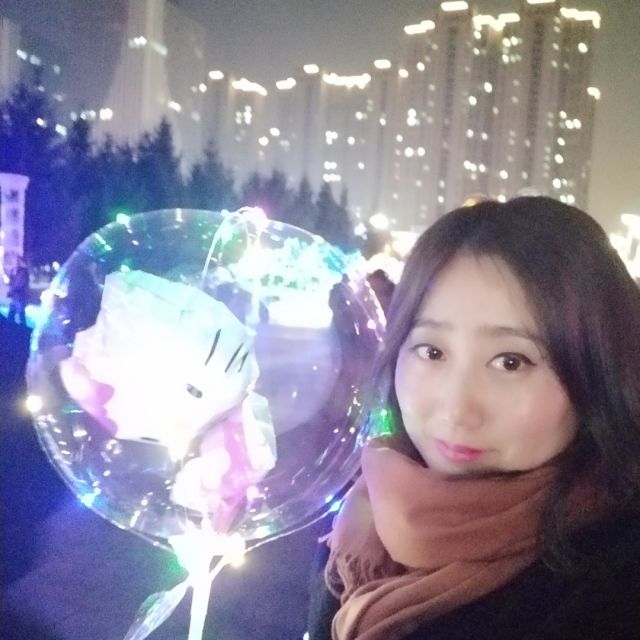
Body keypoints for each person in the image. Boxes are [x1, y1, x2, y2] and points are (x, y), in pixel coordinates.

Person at [307, 196, 640, 640]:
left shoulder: (616, 580)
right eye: (432, 351)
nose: (457, 410)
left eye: (511, 362)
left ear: (596, 369)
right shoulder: (361, 522)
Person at [7, 258, 29, 326]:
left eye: (16, 261)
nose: (14, 263)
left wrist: (12, 290)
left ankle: (22, 329)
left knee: (20, 314)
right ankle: (10, 327)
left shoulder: (22, 272)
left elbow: (19, 284)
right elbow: (11, 283)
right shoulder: (14, 271)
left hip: (19, 296)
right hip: (15, 296)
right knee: (12, 314)